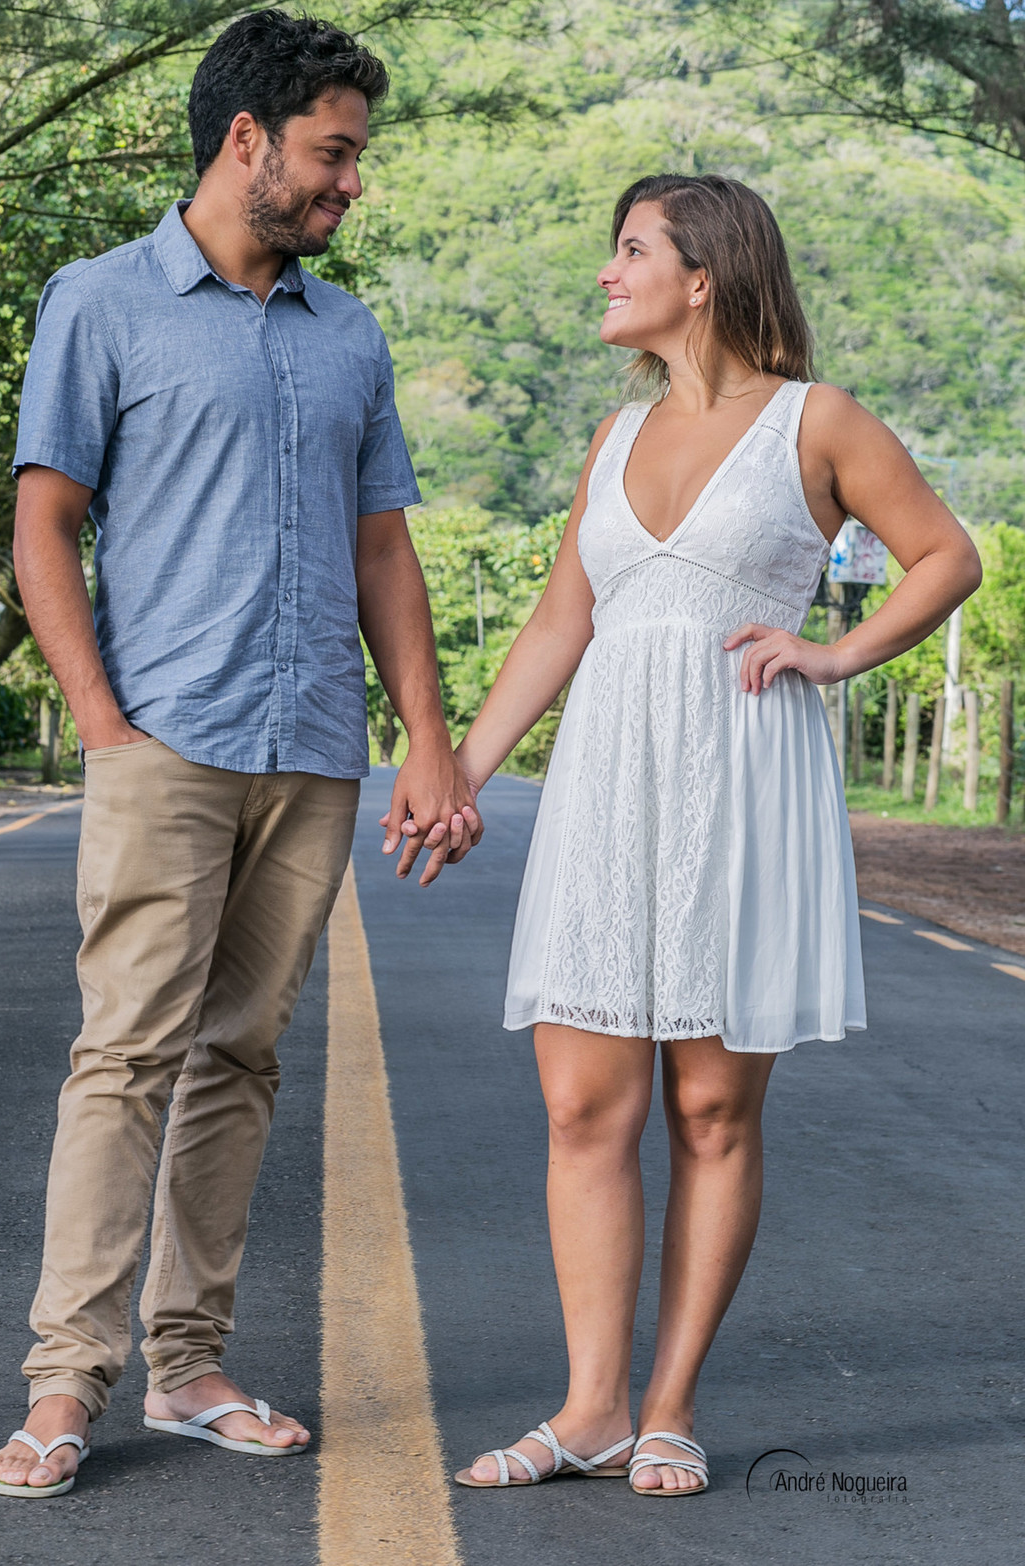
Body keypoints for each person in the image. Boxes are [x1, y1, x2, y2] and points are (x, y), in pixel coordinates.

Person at [399, 172, 980, 1494]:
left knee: (711, 1105)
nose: (607, 274)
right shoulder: (611, 440)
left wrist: (836, 653)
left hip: (745, 779)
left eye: (630, 251)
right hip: (609, 784)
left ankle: (668, 1403)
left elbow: (946, 556)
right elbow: (562, 624)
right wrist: (464, 775)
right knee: (579, 1102)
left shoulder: (814, 421)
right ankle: (591, 1403)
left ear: (703, 274)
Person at [0, 8, 477, 1499]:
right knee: (124, 1054)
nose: (348, 183)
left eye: (355, 157)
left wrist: (426, 739)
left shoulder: (350, 333)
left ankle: (190, 1360)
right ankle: (66, 1379)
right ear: (246, 140)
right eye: (332, 153)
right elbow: (45, 521)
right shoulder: (103, 300)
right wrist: (97, 717)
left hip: (313, 744)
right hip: (167, 737)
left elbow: (381, 546)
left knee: (240, 1059)